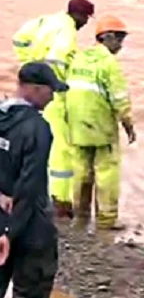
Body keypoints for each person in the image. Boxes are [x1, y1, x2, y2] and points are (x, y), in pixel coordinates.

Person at [0, 63, 66, 298]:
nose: (52, 99)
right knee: (31, 291)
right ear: (35, 89)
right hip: (31, 229)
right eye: (51, 91)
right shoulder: (38, 129)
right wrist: (11, 233)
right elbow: (30, 186)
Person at [11, 0, 94, 216]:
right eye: (85, 18)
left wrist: (29, 64)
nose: (85, 23)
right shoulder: (67, 31)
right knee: (60, 147)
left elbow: (19, 39)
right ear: (78, 15)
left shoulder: (45, 20)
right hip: (50, 92)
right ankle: (60, 200)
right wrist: (57, 83)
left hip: (32, 85)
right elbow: (57, 59)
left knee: (31, 134)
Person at [67, 14, 135, 229]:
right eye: (119, 39)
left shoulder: (78, 58)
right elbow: (119, 99)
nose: (121, 45)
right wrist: (129, 126)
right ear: (106, 37)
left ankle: (80, 216)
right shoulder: (108, 63)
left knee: (81, 171)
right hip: (101, 128)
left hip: (77, 126)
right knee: (106, 173)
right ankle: (106, 220)